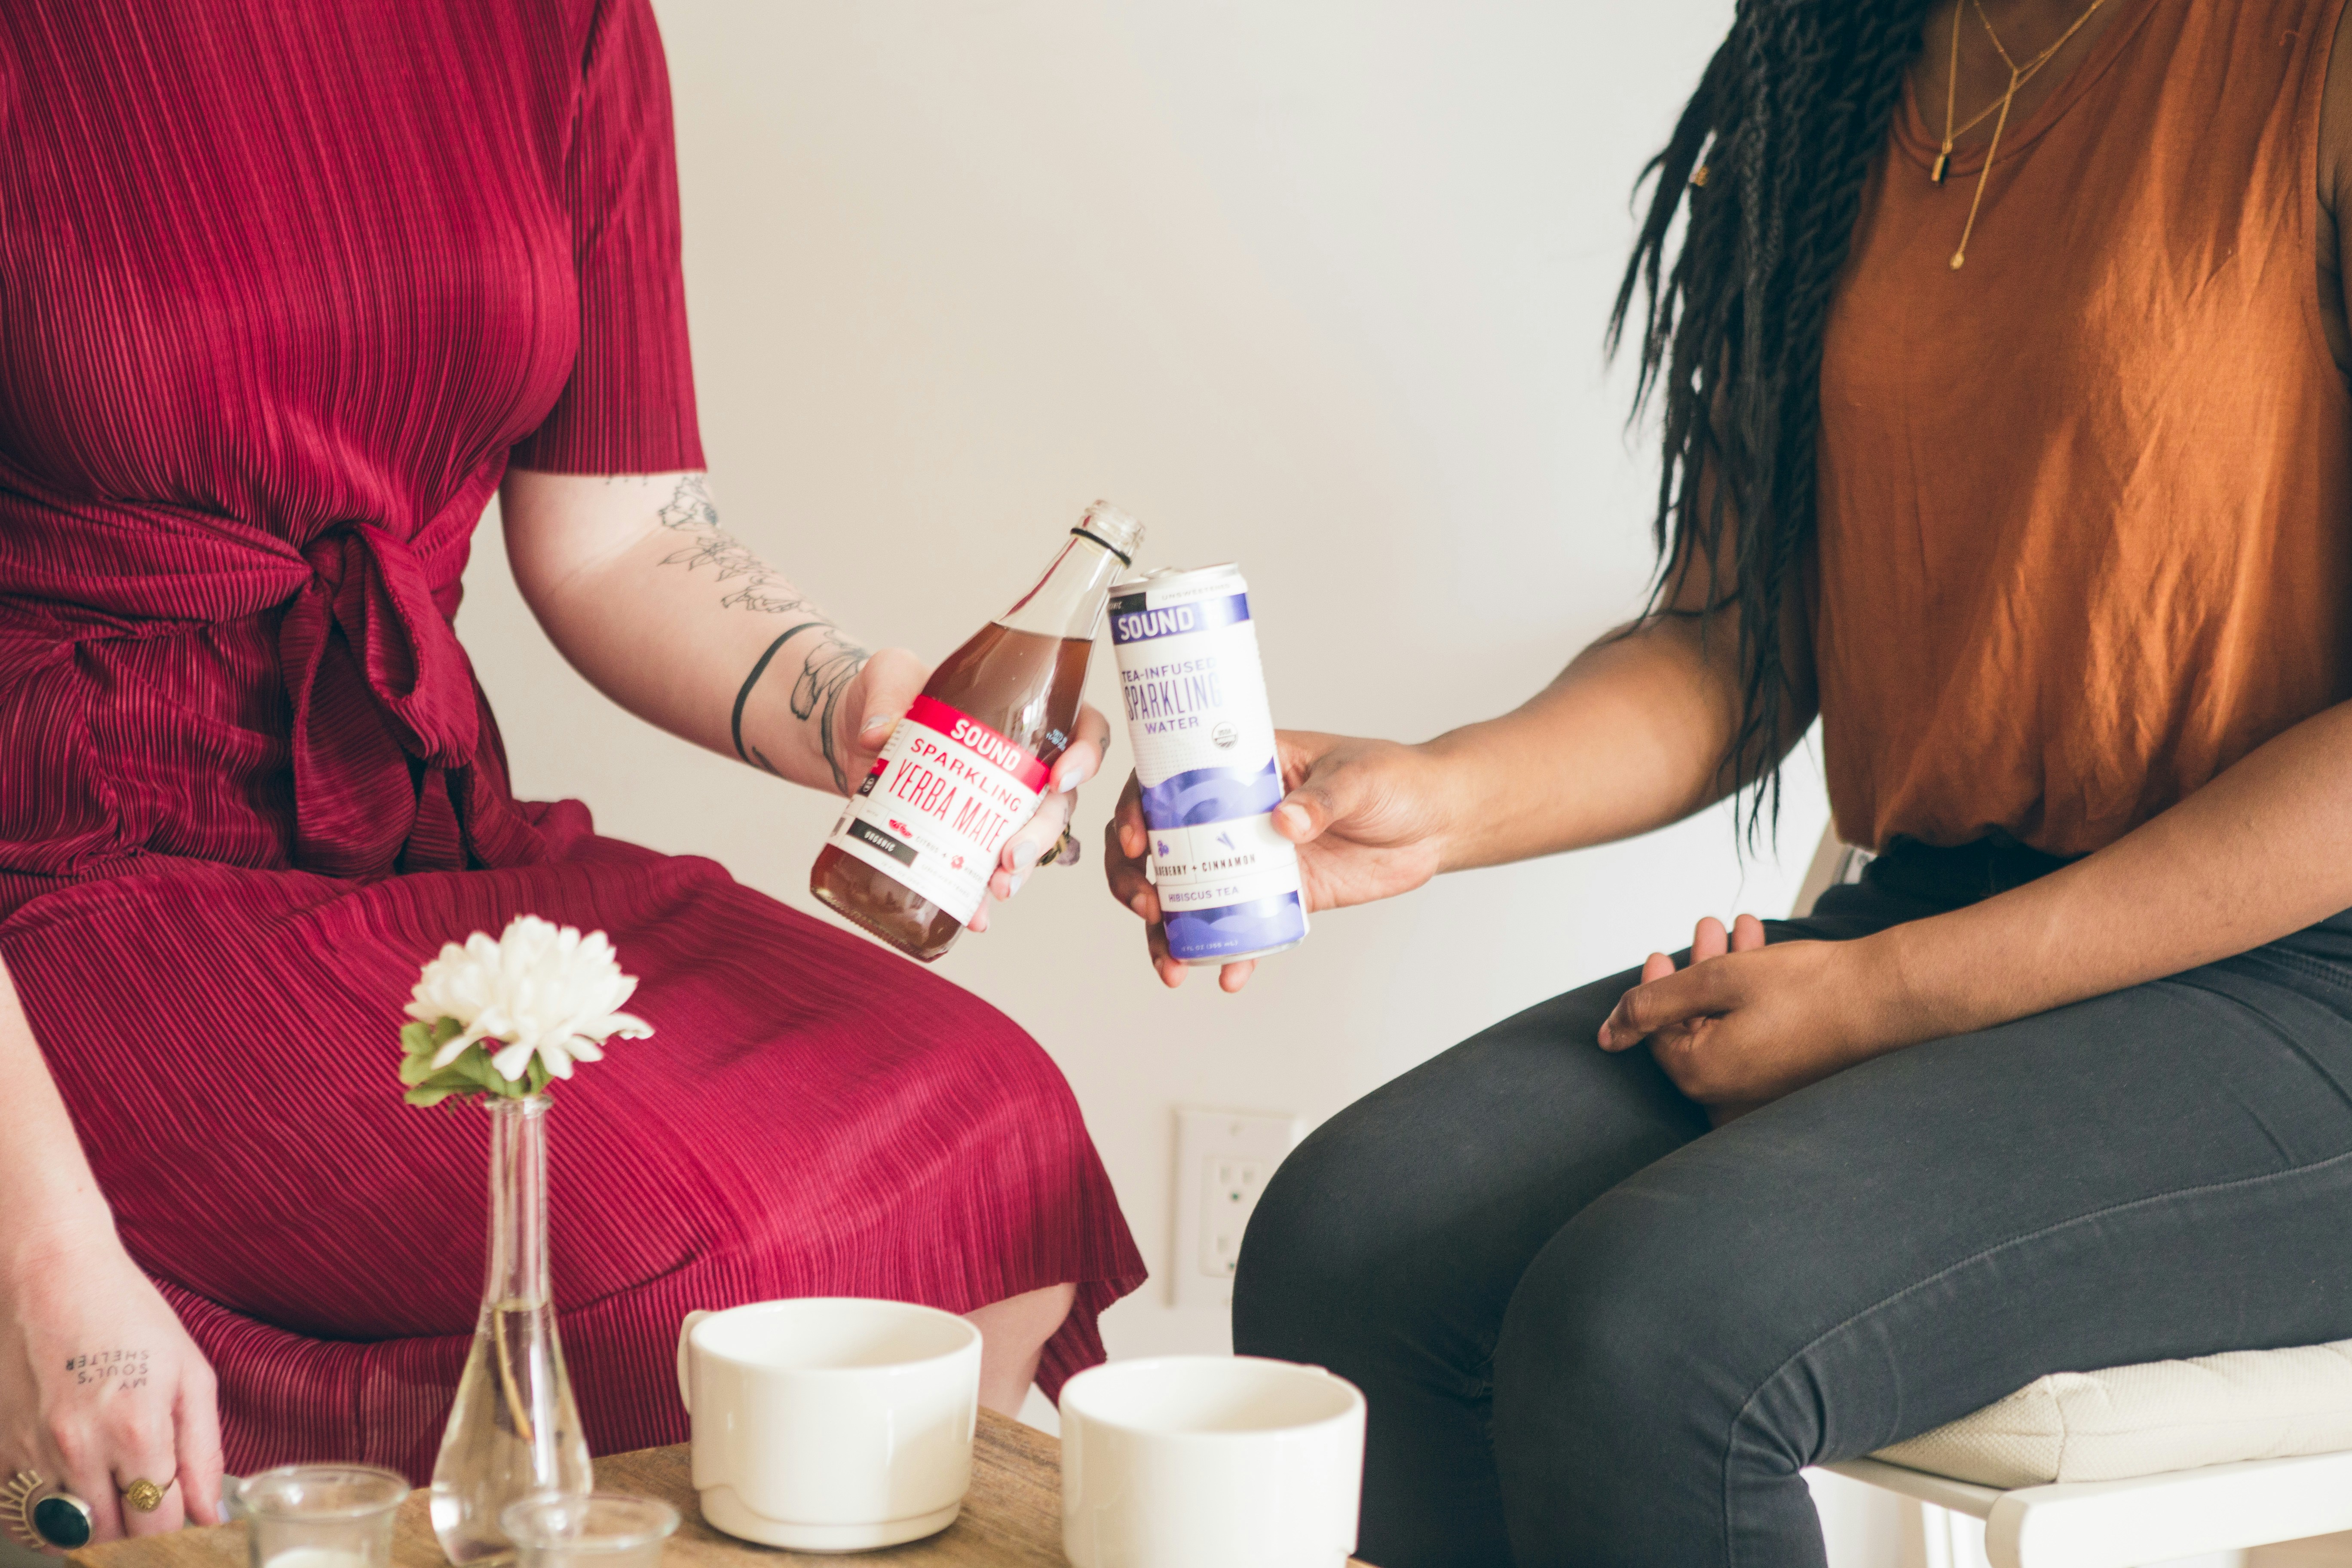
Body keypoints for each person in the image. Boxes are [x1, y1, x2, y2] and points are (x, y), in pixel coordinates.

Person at [1107, 0, 2352, 1562]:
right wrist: (1434, 799)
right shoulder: (1833, 63)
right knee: (1350, 1246)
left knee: (1652, 1338)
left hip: (2308, 980)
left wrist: (1892, 992)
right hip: (1951, 911)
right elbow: (1732, 639)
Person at [0, 0, 1143, 1547]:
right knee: (726, 1266)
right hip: (70, 868)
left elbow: (621, 528)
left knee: (992, 1129)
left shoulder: (567, 22)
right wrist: (48, 1262)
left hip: (416, 827)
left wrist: (860, 708)